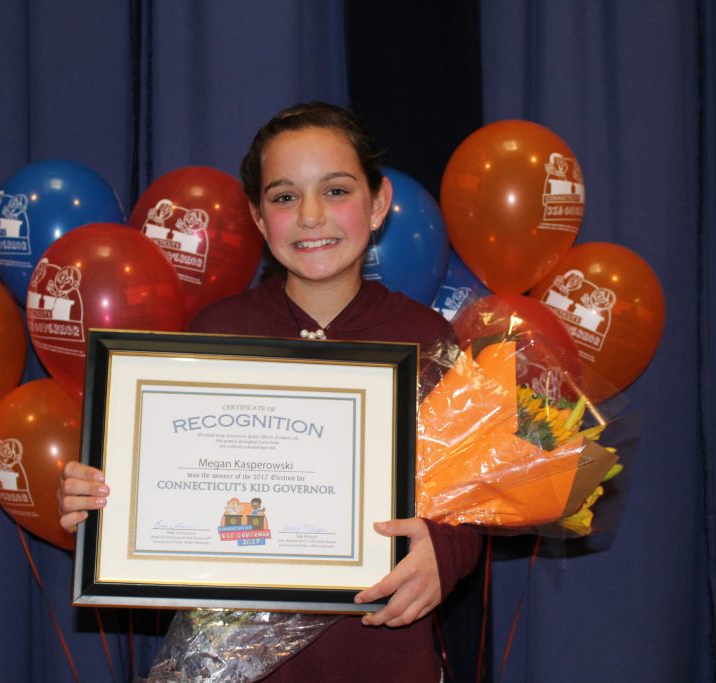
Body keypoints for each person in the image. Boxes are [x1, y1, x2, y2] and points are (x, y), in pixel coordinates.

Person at [58, 101, 482, 681]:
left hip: (384, 658)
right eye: (284, 197)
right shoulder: (214, 334)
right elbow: (167, 493)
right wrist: (104, 500)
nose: (311, 216)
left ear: (378, 204)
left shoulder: (425, 339)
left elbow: (472, 501)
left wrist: (446, 553)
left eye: (336, 191)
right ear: (258, 218)